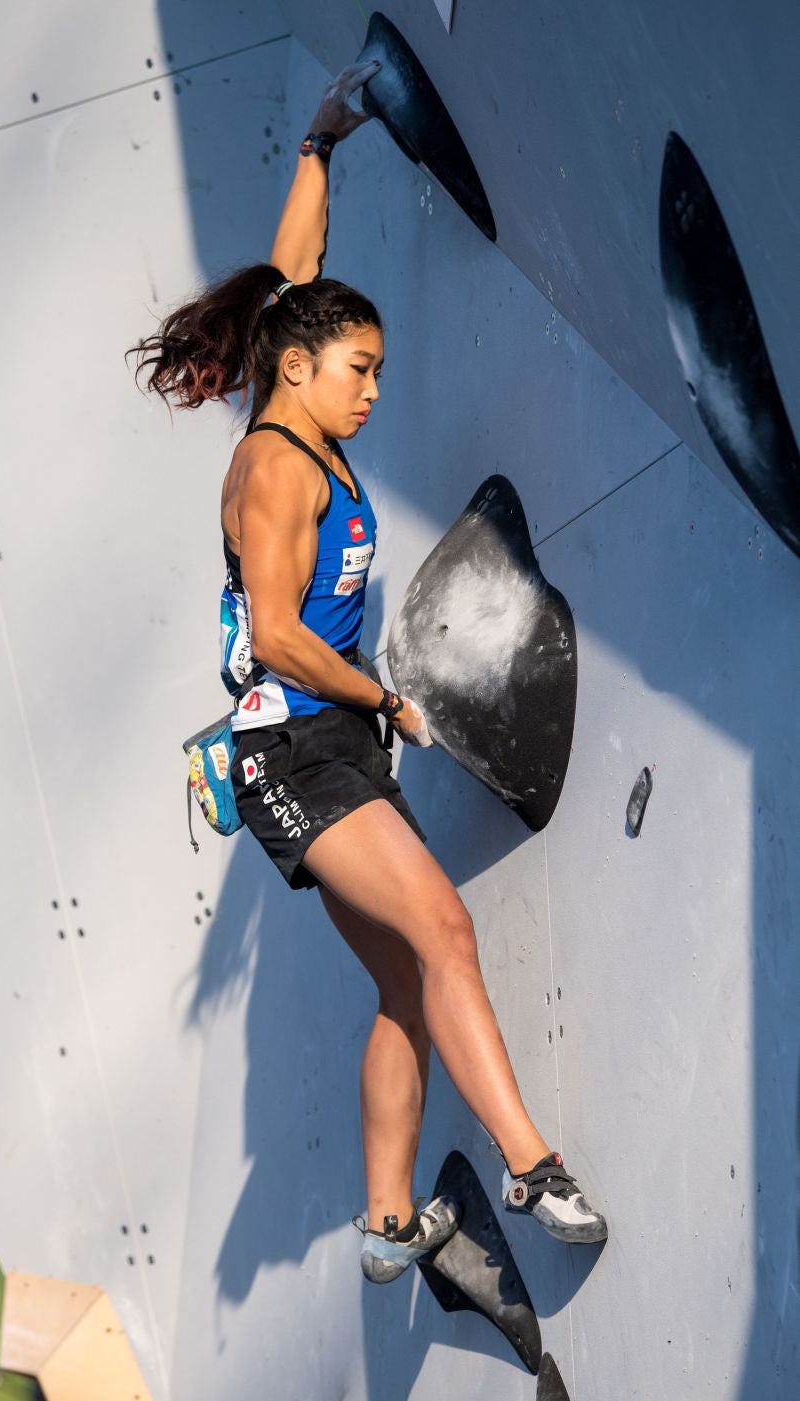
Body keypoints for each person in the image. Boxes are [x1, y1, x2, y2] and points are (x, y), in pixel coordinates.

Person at [133, 62, 607, 1282]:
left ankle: (388, 1223)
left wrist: (322, 137)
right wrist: (386, 698)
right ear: (300, 372)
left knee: (407, 979)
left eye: (379, 371)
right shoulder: (276, 471)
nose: (375, 393)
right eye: (361, 372)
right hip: (292, 745)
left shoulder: (283, 392)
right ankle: (529, 1162)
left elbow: (291, 269)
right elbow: (284, 635)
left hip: (326, 742)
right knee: (445, 928)